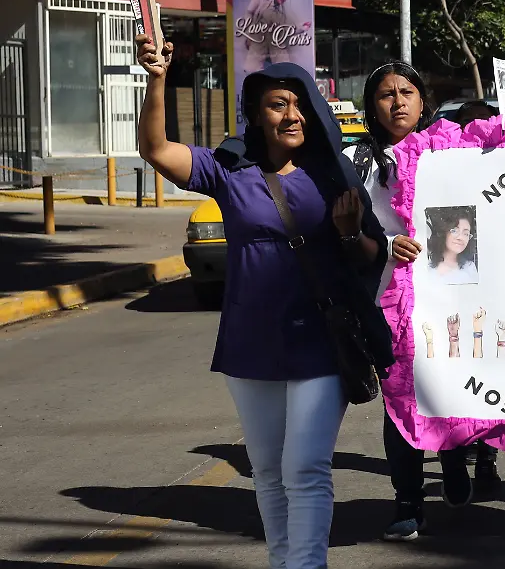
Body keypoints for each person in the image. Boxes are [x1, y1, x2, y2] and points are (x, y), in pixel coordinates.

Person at [135, 34, 394, 566]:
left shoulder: (335, 175)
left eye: (300, 104)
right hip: (249, 346)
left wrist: (348, 230)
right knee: (270, 473)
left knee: (306, 469)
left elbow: (370, 254)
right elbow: (157, 150)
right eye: (278, 105)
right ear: (256, 116)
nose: (292, 115)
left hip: (320, 346)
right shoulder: (231, 171)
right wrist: (157, 78)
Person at [345, 63, 498, 542]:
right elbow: (345, 227)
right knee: (399, 402)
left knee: (443, 389)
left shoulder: (453, 149)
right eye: (386, 95)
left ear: (422, 97)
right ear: (372, 105)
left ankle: (453, 460)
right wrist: (386, 245)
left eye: (407, 91)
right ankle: (407, 500)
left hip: (449, 296)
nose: (398, 103)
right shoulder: (356, 161)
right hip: (386, 299)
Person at [242, 0, 311, 71]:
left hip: (273, 49)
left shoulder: (281, 15)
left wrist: (301, 29)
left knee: (284, 69)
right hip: (258, 45)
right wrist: (249, 33)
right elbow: (249, 13)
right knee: (251, 72)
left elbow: (285, 32)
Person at [427, 207, 480, 284]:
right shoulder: (428, 267)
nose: (461, 237)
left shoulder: (469, 267)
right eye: (455, 231)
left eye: (466, 234)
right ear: (444, 233)